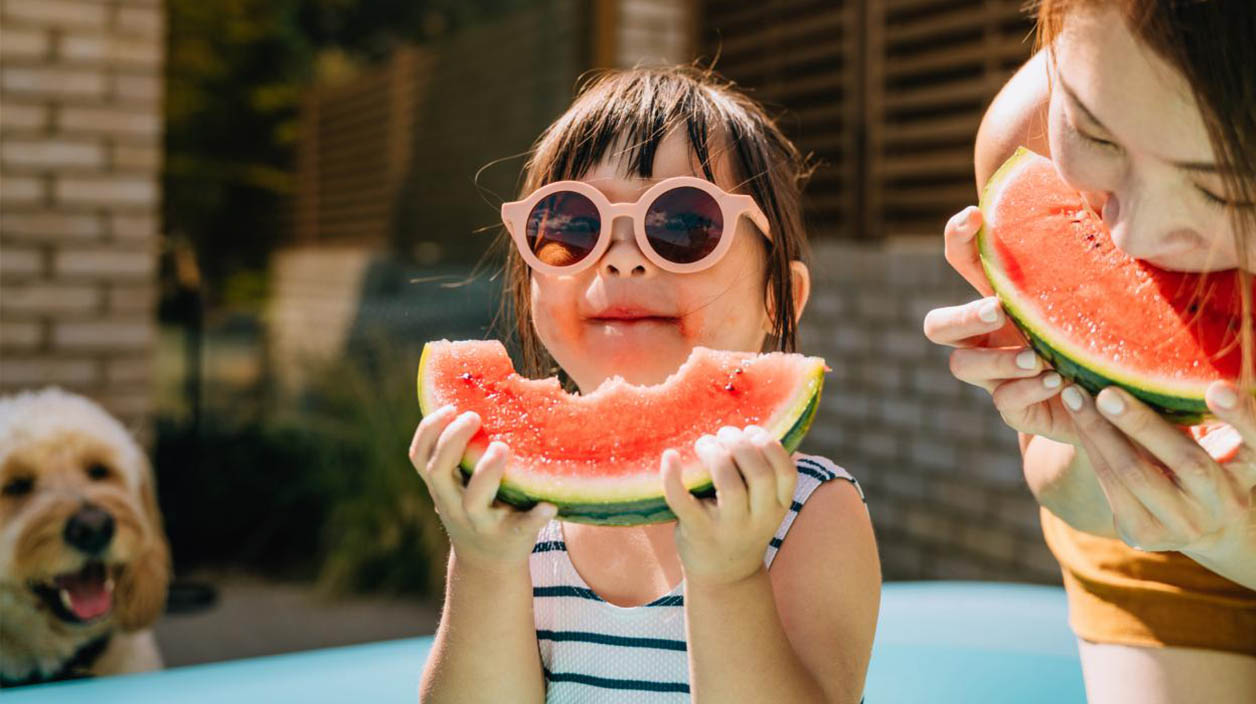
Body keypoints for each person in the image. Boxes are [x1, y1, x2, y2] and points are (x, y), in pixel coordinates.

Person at [408, 65, 880, 703]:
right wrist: (485, 564)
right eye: (570, 225)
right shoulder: (515, 509)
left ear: (779, 298)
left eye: (684, 224)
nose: (622, 256)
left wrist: (729, 576)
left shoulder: (811, 512)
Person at [923, 1, 1256, 701]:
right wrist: (1088, 431)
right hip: (1166, 559)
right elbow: (1069, 493)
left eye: (1217, 188)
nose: (1131, 235)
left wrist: (1241, 542)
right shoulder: (1026, 132)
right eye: (1095, 134)